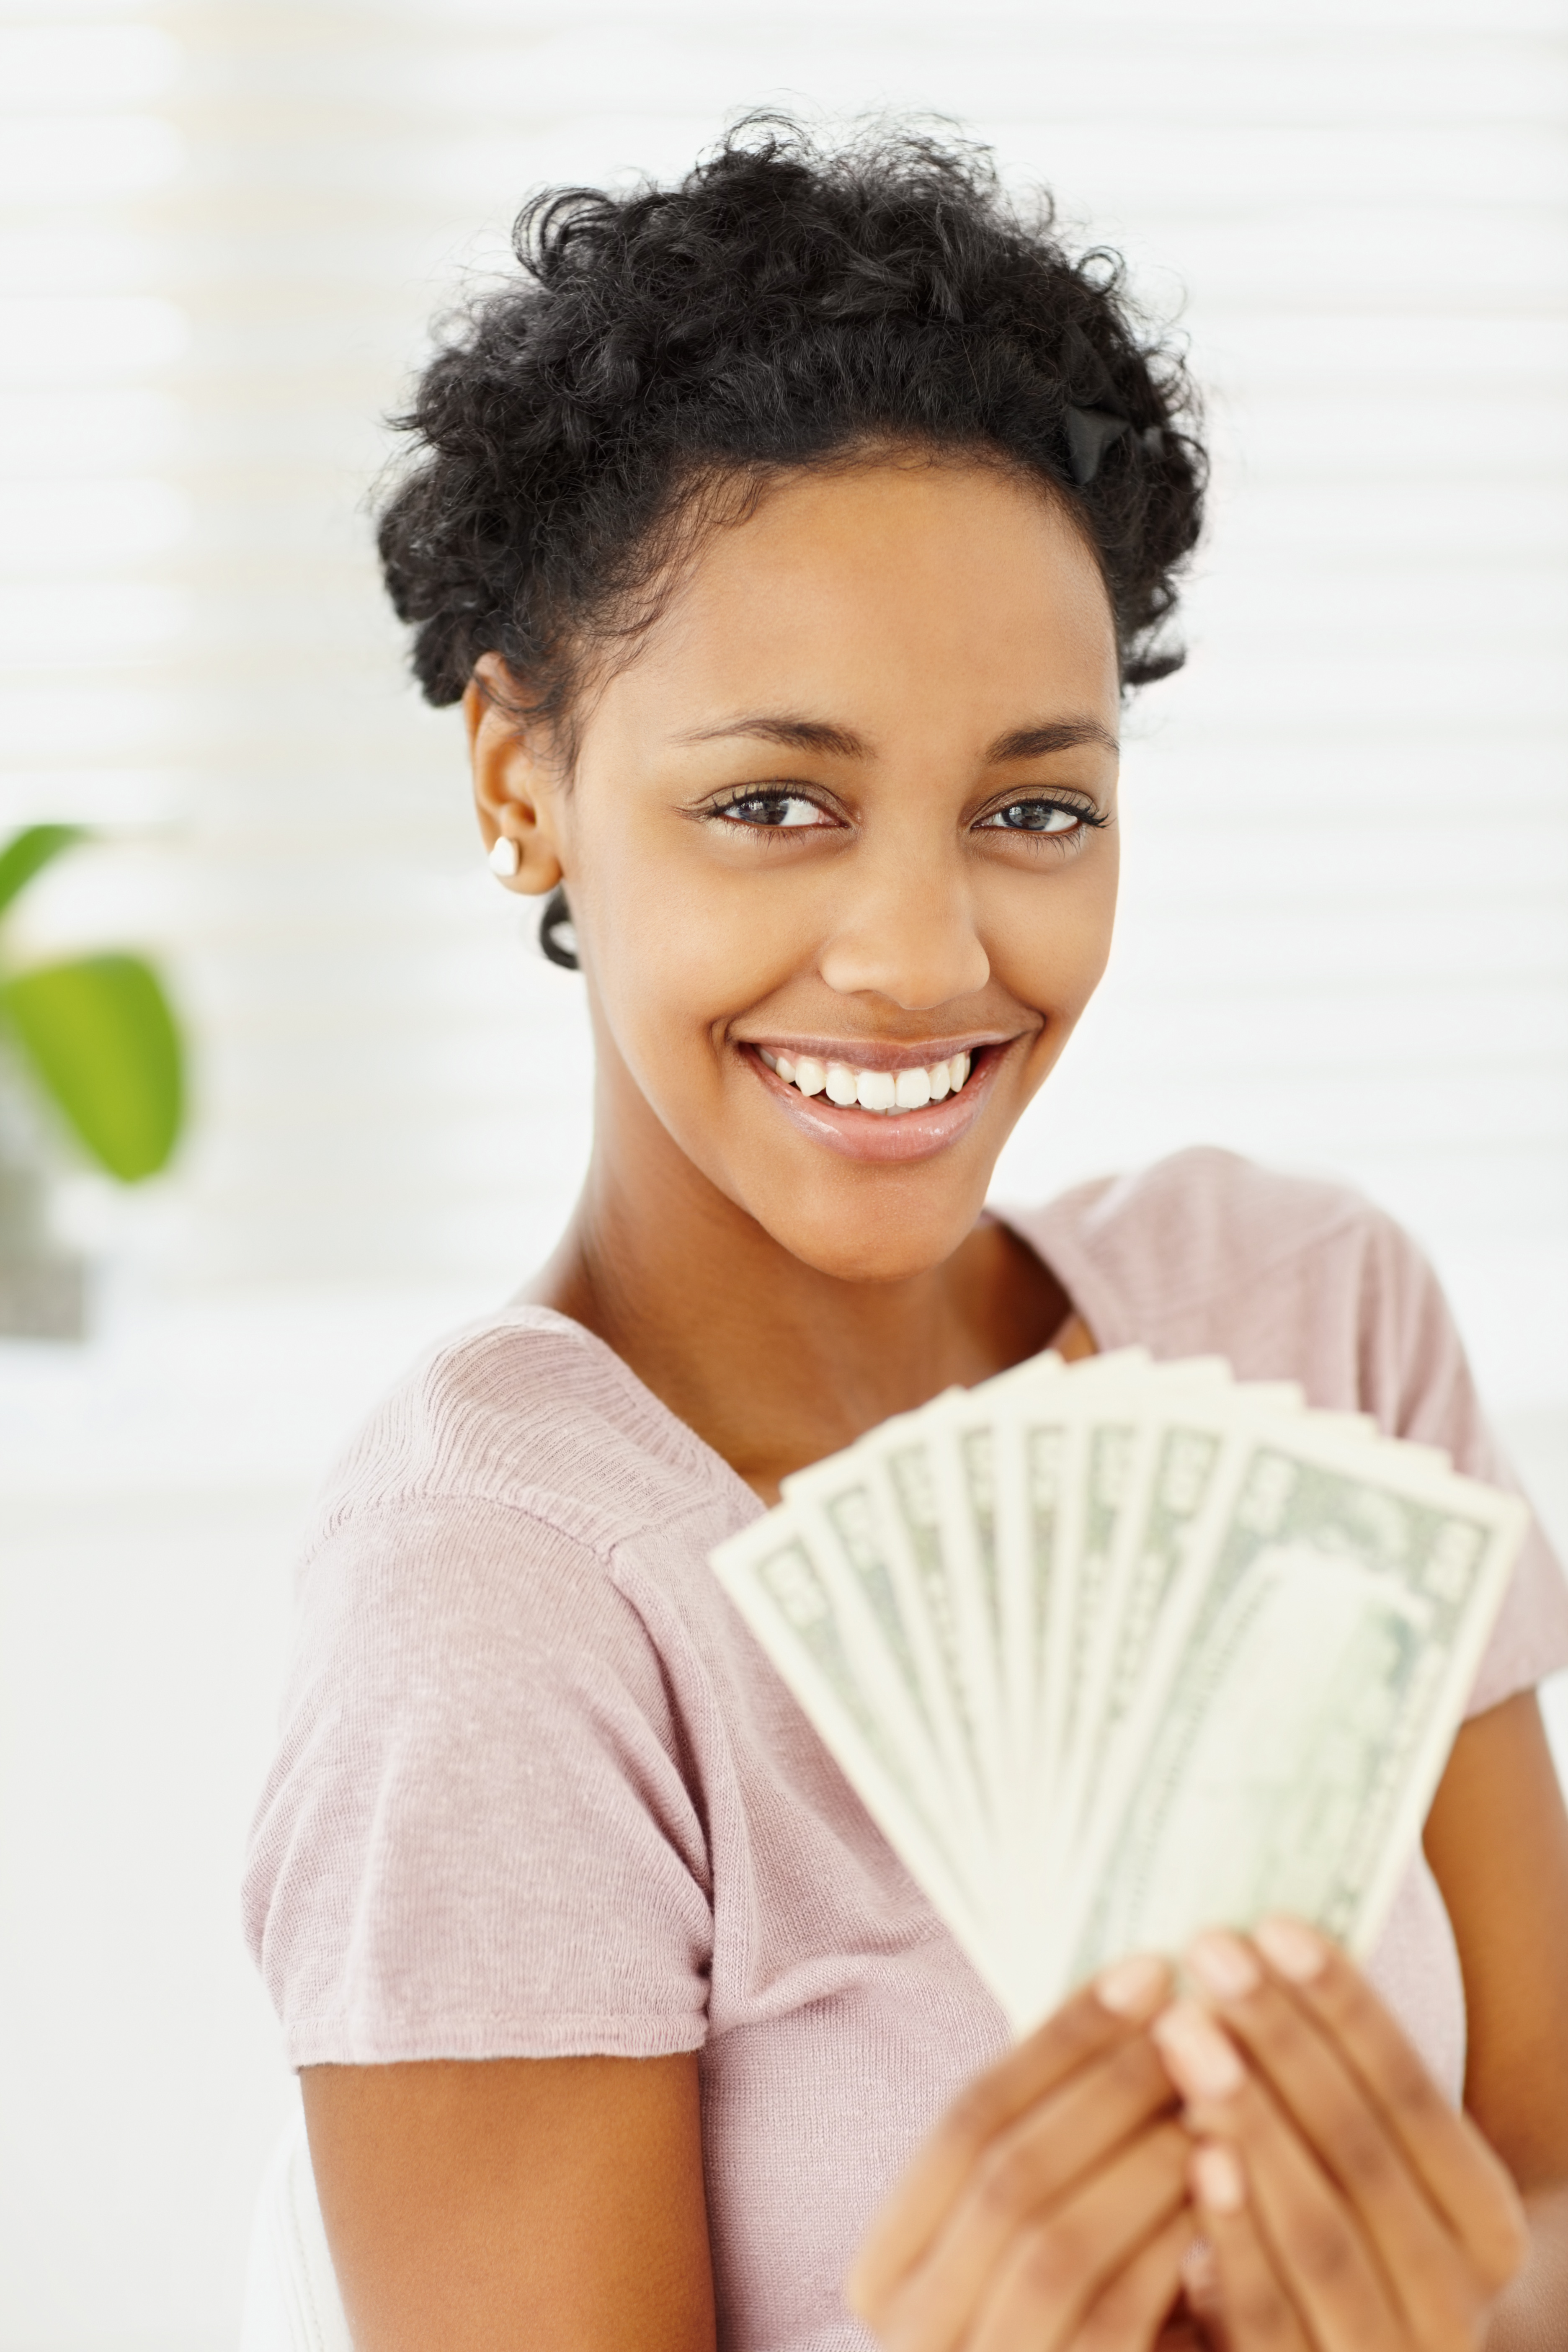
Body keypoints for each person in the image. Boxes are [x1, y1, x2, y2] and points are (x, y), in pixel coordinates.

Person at [243, 120, 1568, 2351]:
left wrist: (1447, 2308)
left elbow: (1549, 2184)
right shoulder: (497, 1608)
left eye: (1035, 806)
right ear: (518, 780)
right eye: (776, 802)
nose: (922, 954)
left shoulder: (1312, 1329)